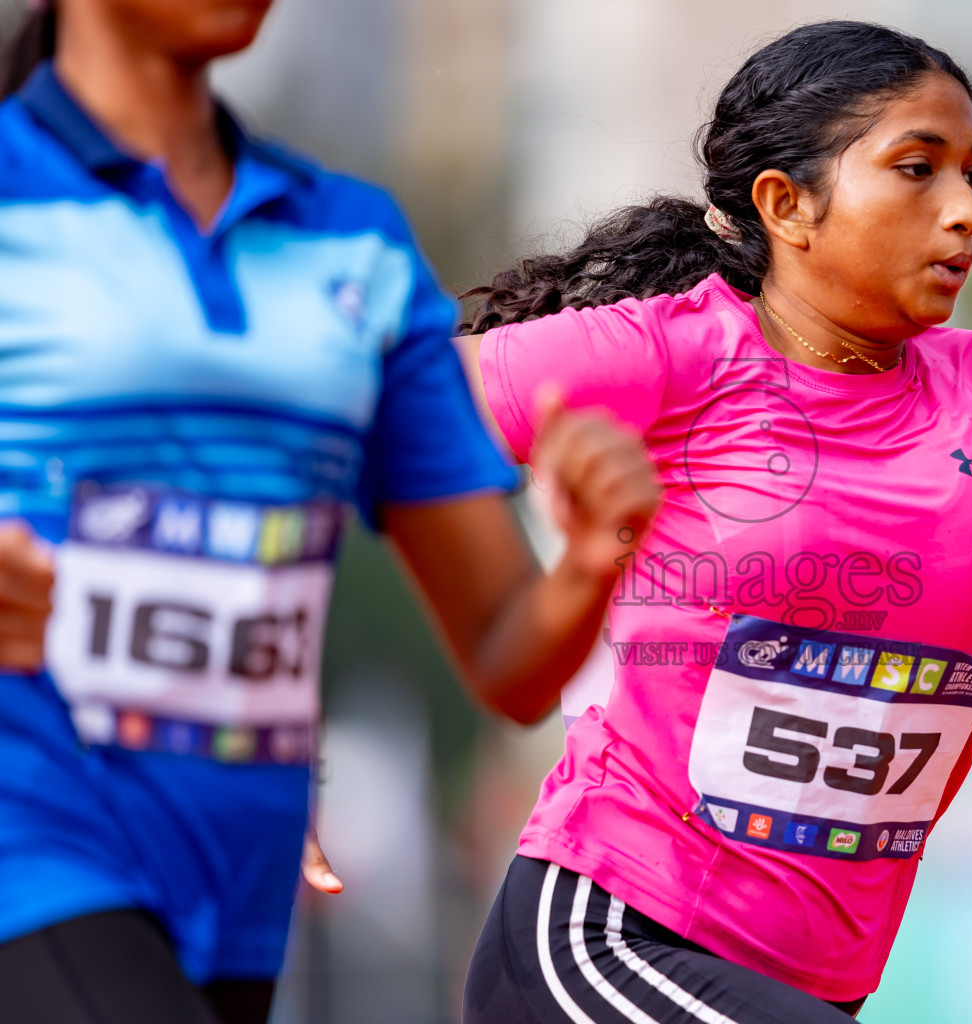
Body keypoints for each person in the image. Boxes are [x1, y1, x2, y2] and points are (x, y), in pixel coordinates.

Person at [456, 20, 972, 1024]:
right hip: (610, 941)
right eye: (916, 169)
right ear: (787, 204)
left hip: (808, 995)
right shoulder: (677, 355)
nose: (966, 212)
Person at [0, 2, 659, 1022]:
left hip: (239, 895)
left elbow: (507, 659)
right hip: (34, 841)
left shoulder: (354, 246)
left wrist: (587, 559)